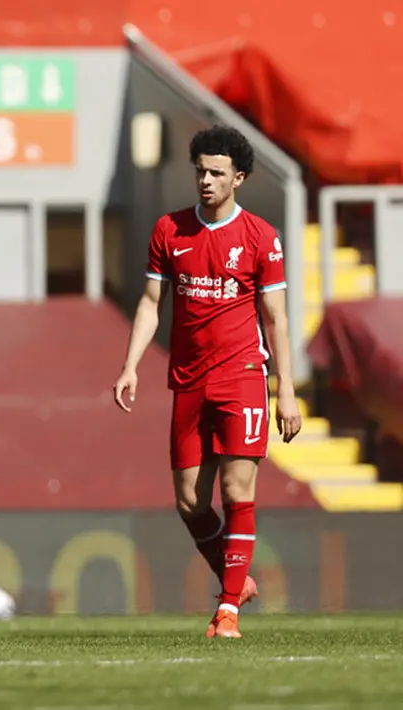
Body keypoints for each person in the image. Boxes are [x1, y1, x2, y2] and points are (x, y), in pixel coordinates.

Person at [112, 125, 302, 639]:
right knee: (190, 502)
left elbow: (276, 318)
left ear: (238, 178)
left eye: (217, 173)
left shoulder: (261, 237)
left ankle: (227, 613)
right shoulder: (169, 231)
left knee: (238, 490)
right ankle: (236, 581)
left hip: (242, 376)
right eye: (200, 170)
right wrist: (130, 365)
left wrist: (285, 388)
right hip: (188, 381)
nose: (206, 180)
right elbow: (152, 304)